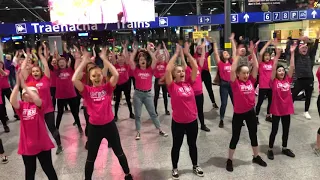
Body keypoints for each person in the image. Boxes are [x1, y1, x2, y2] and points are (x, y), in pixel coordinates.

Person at [72, 48, 133, 180]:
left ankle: (127, 174)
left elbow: (116, 75)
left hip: (110, 126)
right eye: (94, 76)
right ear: (90, 78)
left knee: (119, 152)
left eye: (99, 75)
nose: (97, 77)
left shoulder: (107, 88)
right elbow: (74, 80)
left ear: (102, 76)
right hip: (94, 128)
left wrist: (105, 60)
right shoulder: (87, 90)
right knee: (91, 157)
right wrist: (84, 62)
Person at [226, 34, 267, 172]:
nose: (246, 75)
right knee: (235, 137)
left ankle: (256, 156)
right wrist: (237, 54)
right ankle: (230, 159)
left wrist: (253, 52)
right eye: (243, 73)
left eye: (247, 73)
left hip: (250, 112)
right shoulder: (235, 83)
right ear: (238, 74)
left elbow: (256, 66)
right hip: (238, 114)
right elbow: (232, 69)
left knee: (253, 135)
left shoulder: (251, 81)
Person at [166, 43, 204, 179]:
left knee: (192, 144)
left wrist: (187, 54)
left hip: (192, 121)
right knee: (176, 145)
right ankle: (175, 168)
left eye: (182, 71)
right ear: (174, 75)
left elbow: (194, 67)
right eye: (178, 71)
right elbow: (167, 70)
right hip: (178, 122)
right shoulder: (172, 86)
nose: (181, 73)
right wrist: (176, 54)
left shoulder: (190, 83)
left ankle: (195, 165)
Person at [10, 73, 58, 180]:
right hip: (27, 145)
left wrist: (26, 86)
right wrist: (18, 86)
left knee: (48, 169)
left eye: (33, 93)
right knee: (30, 172)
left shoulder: (39, 104)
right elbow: (12, 101)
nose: (30, 94)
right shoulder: (21, 106)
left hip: (42, 143)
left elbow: (37, 99)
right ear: (23, 97)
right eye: (27, 94)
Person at [21, 43, 63, 155]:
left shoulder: (46, 79)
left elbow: (45, 65)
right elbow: (22, 68)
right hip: (34, 110)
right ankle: (39, 146)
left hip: (48, 109)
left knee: (51, 128)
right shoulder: (29, 79)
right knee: (37, 130)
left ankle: (59, 144)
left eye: (37, 71)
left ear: (41, 72)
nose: (35, 72)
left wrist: (40, 55)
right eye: (33, 71)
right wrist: (27, 56)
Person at [128, 42, 168, 140]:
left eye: (144, 59)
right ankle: (138, 132)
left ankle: (159, 129)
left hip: (148, 94)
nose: (142, 60)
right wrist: (134, 51)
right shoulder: (136, 70)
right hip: (138, 94)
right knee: (137, 115)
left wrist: (149, 51)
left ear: (146, 61)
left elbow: (154, 59)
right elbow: (130, 61)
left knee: (153, 113)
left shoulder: (150, 70)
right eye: (141, 59)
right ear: (139, 61)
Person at [267, 45, 296, 160]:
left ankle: (284, 147)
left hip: (286, 109)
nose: (281, 72)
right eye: (279, 70)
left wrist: (292, 53)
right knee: (274, 130)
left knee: (286, 129)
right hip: (276, 109)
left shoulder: (287, 80)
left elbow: (292, 66)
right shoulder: (273, 82)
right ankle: (270, 149)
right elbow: (273, 69)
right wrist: (277, 56)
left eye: (283, 70)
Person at [291, 32, 319, 120]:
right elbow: (294, 49)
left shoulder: (310, 56)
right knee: (293, 95)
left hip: (309, 79)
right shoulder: (297, 56)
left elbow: (314, 48)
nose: (304, 49)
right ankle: (289, 108)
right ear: (299, 50)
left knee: (308, 96)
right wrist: (300, 39)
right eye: (303, 48)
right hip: (299, 79)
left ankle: (306, 111)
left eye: (306, 48)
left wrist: (317, 38)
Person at [54, 55, 83, 133]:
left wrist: (70, 54)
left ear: (66, 63)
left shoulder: (70, 70)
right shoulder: (56, 71)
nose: (61, 63)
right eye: (60, 62)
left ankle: (79, 126)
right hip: (60, 96)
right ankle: (56, 128)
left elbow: (73, 60)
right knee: (60, 113)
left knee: (74, 112)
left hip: (71, 94)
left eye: (63, 62)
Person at [187, 42, 210, 132]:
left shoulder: (199, 68)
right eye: (190, 60)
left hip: (199, 94)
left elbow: (203, 57)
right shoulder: (187, 69)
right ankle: (188, 127)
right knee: (191, 111)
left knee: (200, 110)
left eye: (194, 59)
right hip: (191, 94)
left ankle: (203, 125)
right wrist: (186, 52)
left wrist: (203, 48)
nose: (193, 60)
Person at [191, 38, 219, 109]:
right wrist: (195, 42)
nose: (200, 50)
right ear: (197, 49)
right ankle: (195, 103)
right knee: (197, 89)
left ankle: (213, 102)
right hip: (198, 74)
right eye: (199, 48)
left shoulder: (206, 54)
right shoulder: (194, 55)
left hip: (206, 73)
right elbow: (191, 48)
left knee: (209, 88)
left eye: (201, 48)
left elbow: (212, 49)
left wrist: (210, 41)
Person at [212, 39, 233, 128]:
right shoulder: (220, 63)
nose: (226, 53)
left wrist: (232, 41)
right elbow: (216, 53)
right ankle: (221, 119)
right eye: (224, 53)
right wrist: (214, 42)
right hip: (224, 85)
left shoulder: (232, 62)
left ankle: (237, 118)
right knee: (224, 103)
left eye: (227, 52)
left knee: (235, 102)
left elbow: (235, 53)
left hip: (232, 85)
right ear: (222, 56)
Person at [113, 42, 135, 121]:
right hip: (118, 85)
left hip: (126, 84)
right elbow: (113, 58)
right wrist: (113, 47)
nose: (121, 59)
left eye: (122, 58)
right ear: (117, 59)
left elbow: (127, 58)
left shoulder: (126, 65)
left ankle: (131, 113)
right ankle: (115, 115)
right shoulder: (115, 65)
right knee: (117, 101)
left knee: (128, 99)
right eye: (119, 58)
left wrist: (125, 48)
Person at [255, 39, 275, 124]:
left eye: (268, 55)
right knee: (260, 102)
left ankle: (268, 116)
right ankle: (256, 116)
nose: (267, 57)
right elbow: (260, 54)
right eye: (265, 55)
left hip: (271, 86)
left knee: (271, 102)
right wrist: (268, 43)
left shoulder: (272, 62)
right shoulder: (261, 64)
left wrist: (275, 44)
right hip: (263, 86)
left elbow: (277, 54)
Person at [154, 41, 170, 116]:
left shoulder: (165, 63)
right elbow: (153, 57)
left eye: (162, 57)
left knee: (165, 96)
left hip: (164, 80)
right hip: (157, 80)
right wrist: (157, 49)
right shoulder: (155, 64)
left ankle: (166, 109)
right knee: (156, 96)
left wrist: (165, 47)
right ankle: (155, 110)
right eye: (159, 57)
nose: (160, 58)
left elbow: (168, 56)